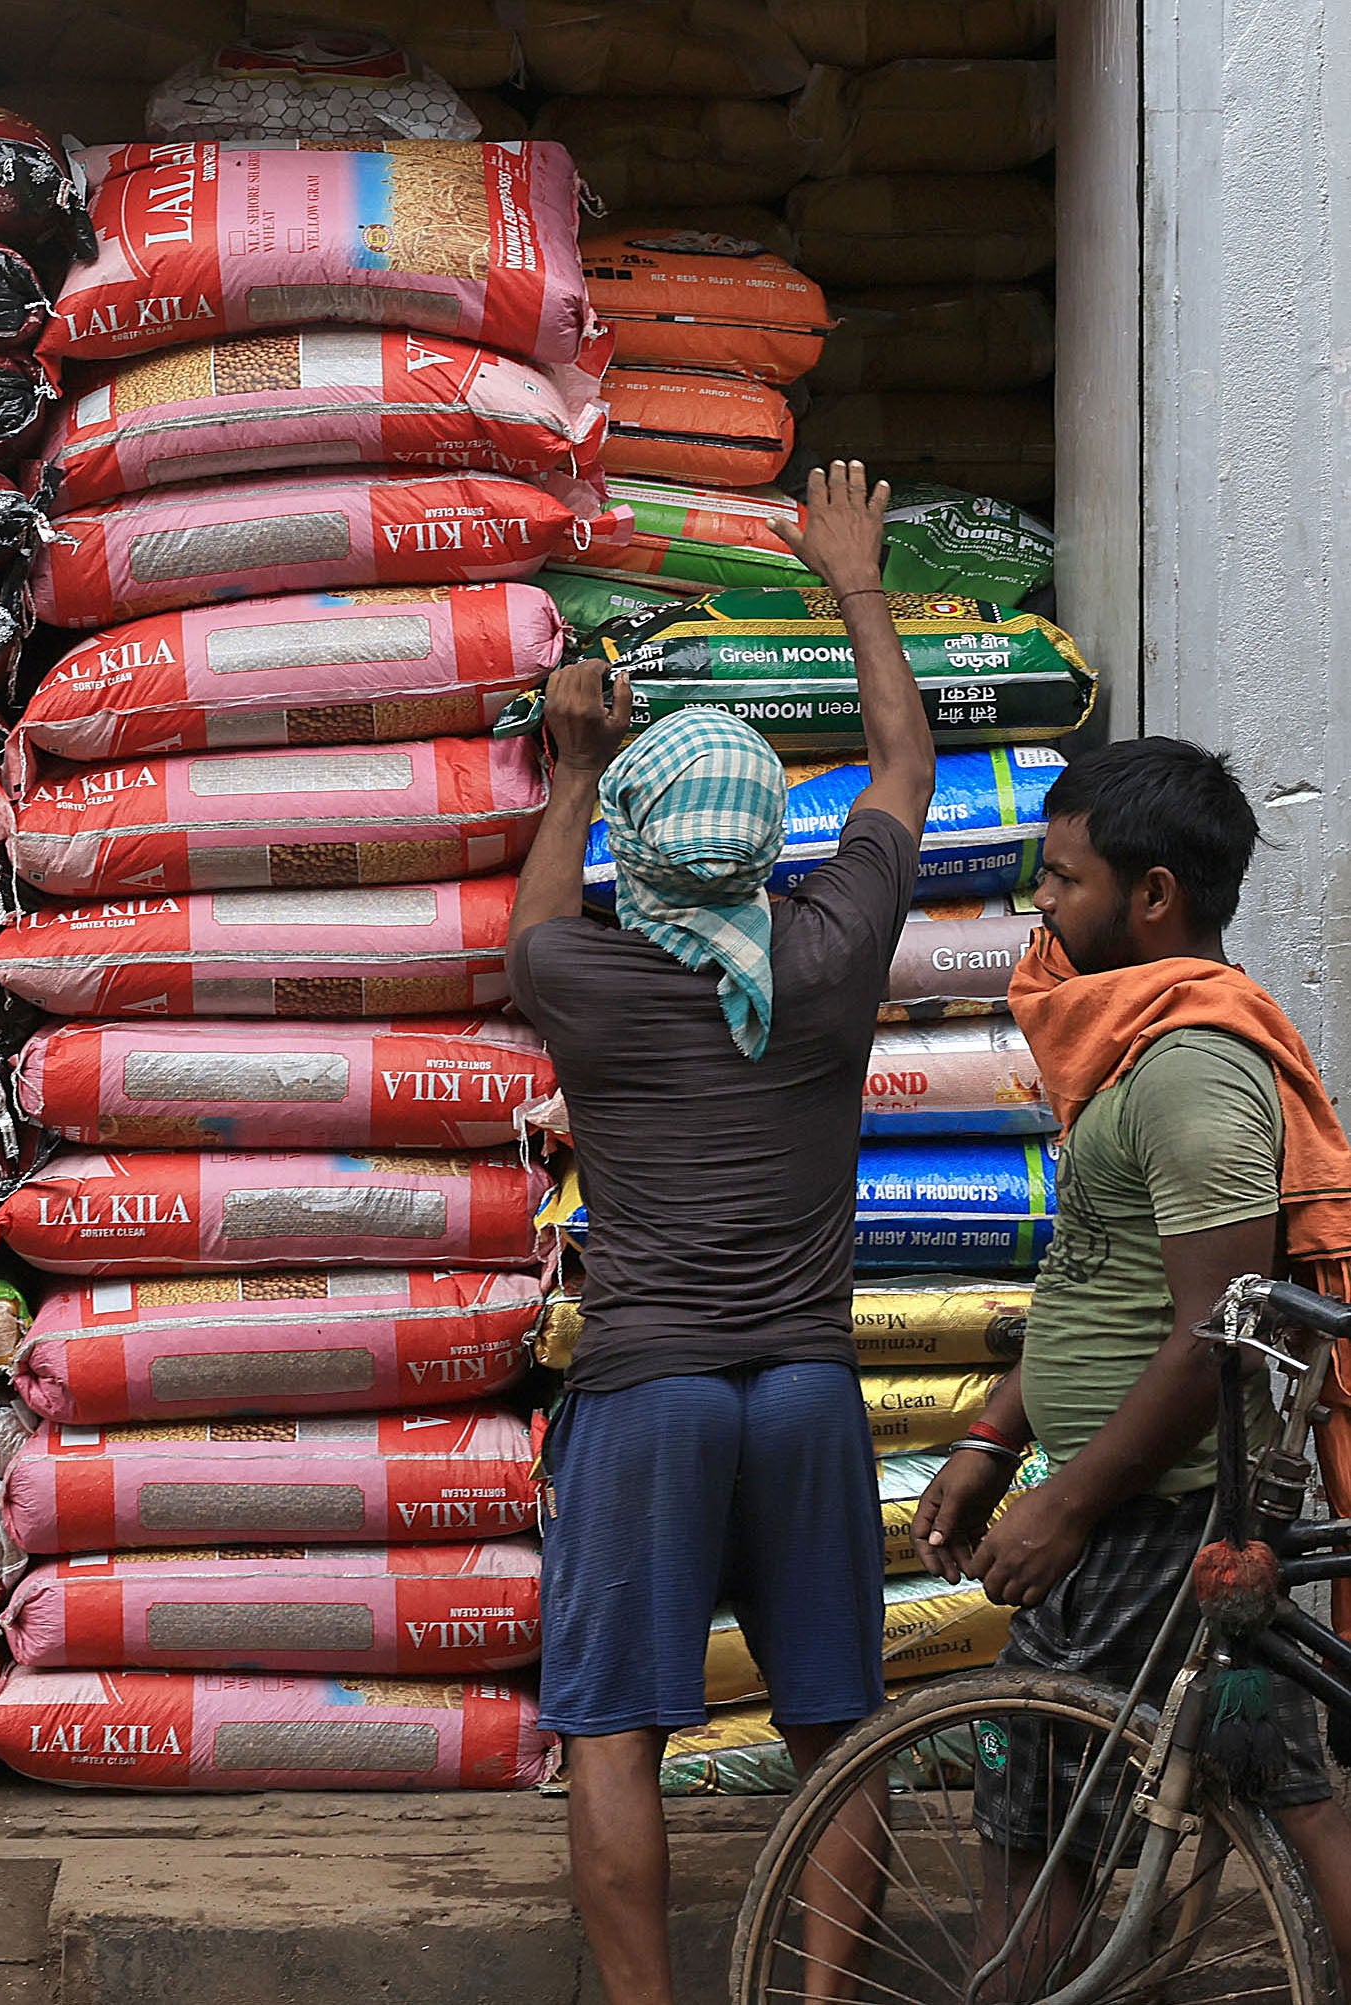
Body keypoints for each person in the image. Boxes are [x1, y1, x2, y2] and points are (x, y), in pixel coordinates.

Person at [507, 460, 938, 2005]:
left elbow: (536, 922)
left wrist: (571, 765)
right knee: (835, 1721)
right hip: (806, 1391)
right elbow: (901, 766)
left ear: (638, 839)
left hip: (650, 1391)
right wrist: (854, 582)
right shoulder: (827, 956)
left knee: (613, 1725)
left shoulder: (589, 987)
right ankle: (826, 1994)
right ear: (767, 839)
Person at [912, 734, 1351, 1967]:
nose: (1039, 907)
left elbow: (1222, 1325)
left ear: (1151, 894)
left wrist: (1064, 1504)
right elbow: (1098, 1284)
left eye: (1061, 880)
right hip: (1160, 1511)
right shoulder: (1132, 1049)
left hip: (1148, 1520)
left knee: (1030, 1803)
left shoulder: (1190, 1069)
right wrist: (995, 1436)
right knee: (1288, 1794)